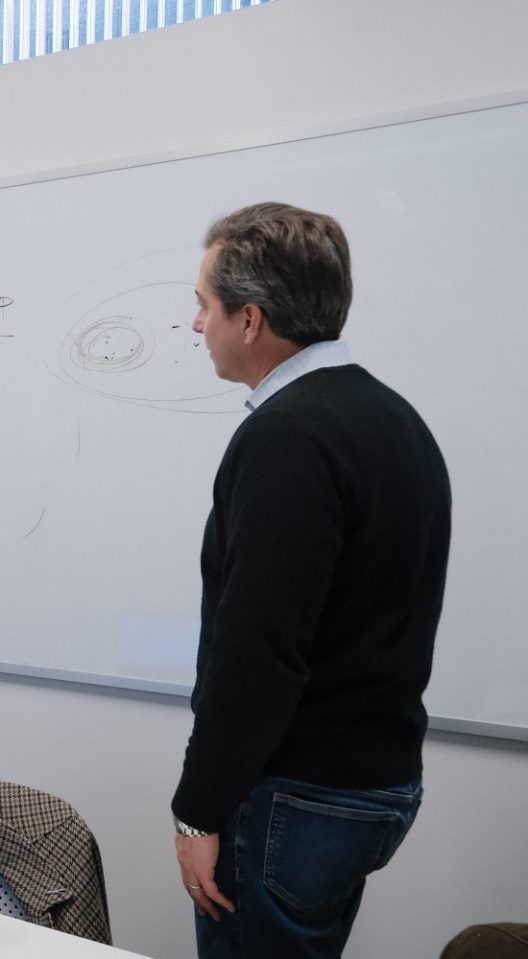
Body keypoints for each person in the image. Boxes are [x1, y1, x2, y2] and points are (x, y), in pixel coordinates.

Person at [170, 203, 451, 959]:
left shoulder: (287, 437)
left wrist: (197, 813)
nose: (197, 324)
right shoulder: (396, 421)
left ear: (251, 319)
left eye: (204, 305)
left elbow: (257, 650)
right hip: (374, 782)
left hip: (296, 790)